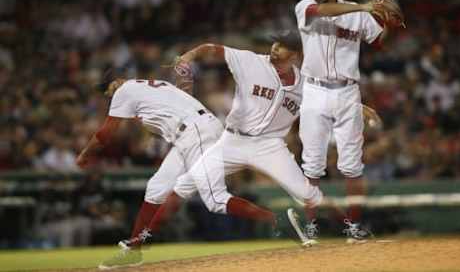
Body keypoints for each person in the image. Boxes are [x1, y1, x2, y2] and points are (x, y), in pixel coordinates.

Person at [118, 31, 329, 258]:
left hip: (269, 145)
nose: (276, 47)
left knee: (306, 192)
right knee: (184, 186)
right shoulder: (250, 61)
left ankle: (319, 235)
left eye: (284, 45)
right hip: (232, 140)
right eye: (276, 42)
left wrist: (358, 108)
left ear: (296, 55)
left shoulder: (305, 83)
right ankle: (141, 240)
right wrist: (190, 55)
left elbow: (326, 100)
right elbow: (213, 49)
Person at [77, 77, 224, 269]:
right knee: (156, 189)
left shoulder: (125, 90)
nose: (112, 93)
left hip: (195, 133)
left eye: (111, 87)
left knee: (184, 191)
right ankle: (134, 250)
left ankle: (137, 245)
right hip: (198, 130)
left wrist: (85, 154)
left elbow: (106, 133)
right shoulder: (152, 86)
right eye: (108, 91)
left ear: (120, 81)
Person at [294, 0, 395, 242]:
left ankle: (353, 227)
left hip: (348, 92)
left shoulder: (357, 12)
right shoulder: (304, 7)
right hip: (314, 91)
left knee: (352, 165)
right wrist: (364, 7)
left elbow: (379, 39)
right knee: (312, 163)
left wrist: (390, 23)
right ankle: (311, 227)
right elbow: (324, 11)